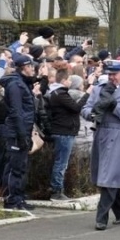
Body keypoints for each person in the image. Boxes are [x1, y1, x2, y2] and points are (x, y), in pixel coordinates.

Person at [81, 61, 120, 230]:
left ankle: (101, 218)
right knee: (106, 175)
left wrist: (115, 106)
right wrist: (93, 113)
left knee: (109, 177)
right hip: (101, 133)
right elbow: (85, 108)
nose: (111, 78)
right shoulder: (100, 88)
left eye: (114, 74)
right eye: (109, 74)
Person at [47, 67, 93, 201]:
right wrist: (88, 93)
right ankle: (57, 191)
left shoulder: (58, 93)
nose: (70, 82)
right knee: (61, 163)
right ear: (63, 80)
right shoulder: (60, 94)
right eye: (69, 80)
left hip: (64, 130)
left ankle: (57, 189)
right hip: (64, 131)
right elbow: (76, 108)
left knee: (61, 162)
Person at [1, 54, 37, 210]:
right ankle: (12, 199)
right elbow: (16, 112)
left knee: (21, 167)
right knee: (14, 167)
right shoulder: (15, 85)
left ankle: (19, 197)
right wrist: (22, 134)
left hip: (23, 130)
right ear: (25, 67)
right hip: (17, 132)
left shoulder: (22, 83)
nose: (33, 69)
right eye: (31, 67)